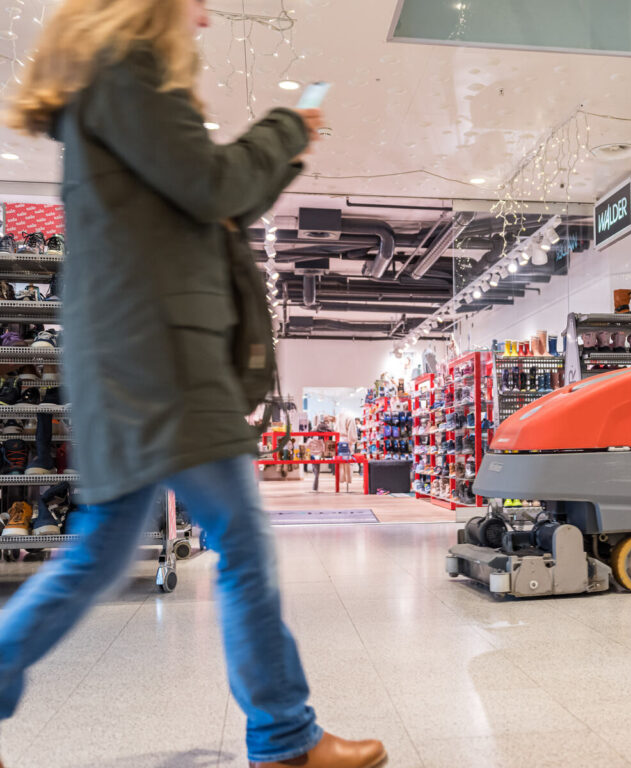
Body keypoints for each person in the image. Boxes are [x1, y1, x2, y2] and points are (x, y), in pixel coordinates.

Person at [0, 1, 386, 767]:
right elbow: (213, 186)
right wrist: (286, 128)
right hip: (163, 363)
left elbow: (209, 208)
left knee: (99, 554)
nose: (204, 19)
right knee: (240, 542)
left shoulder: (108, 86)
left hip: (136, 360)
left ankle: (283, 734)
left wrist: (281, 156)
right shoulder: (126, 71)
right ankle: (284, 737)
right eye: (196, 1)